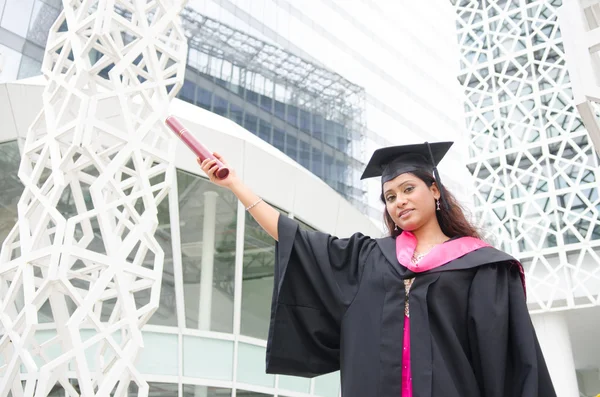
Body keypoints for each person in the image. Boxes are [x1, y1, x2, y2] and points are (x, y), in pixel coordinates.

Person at [198, 141, 557, 397]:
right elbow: (297, 239)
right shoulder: (370, 257)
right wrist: (235, 185)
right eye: (390, 196)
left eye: (408, 189)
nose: (399, 201)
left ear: (435, 191)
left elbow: (511, 359)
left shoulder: (482, 266)